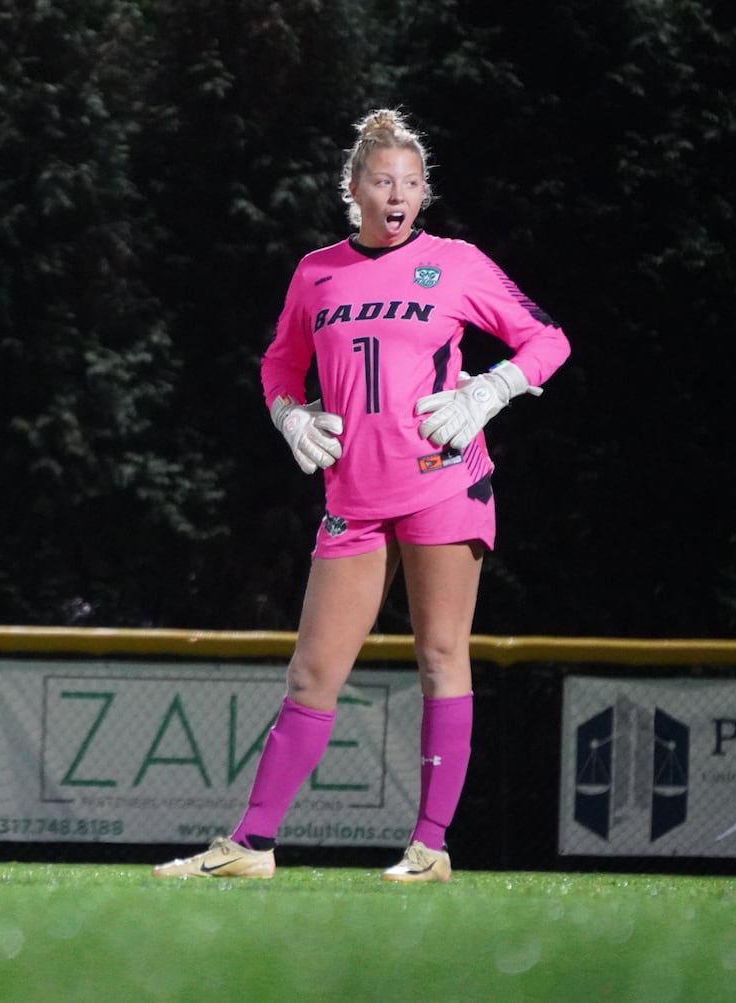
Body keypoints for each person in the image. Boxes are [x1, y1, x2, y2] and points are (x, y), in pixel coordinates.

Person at [152, 108, 570, 883]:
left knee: (440, 654)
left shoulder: (456, 263)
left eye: (411, 182)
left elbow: (548, 339)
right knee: (312, 673)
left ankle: (430, 847)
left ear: (424, 192)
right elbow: (279, 365)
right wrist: (289, 415)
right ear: (354, 190)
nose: (398, 194)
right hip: (354, 494)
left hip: (443, 480)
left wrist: (489, 390)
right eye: (383, 181)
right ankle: (250, 845)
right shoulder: (317, 272)